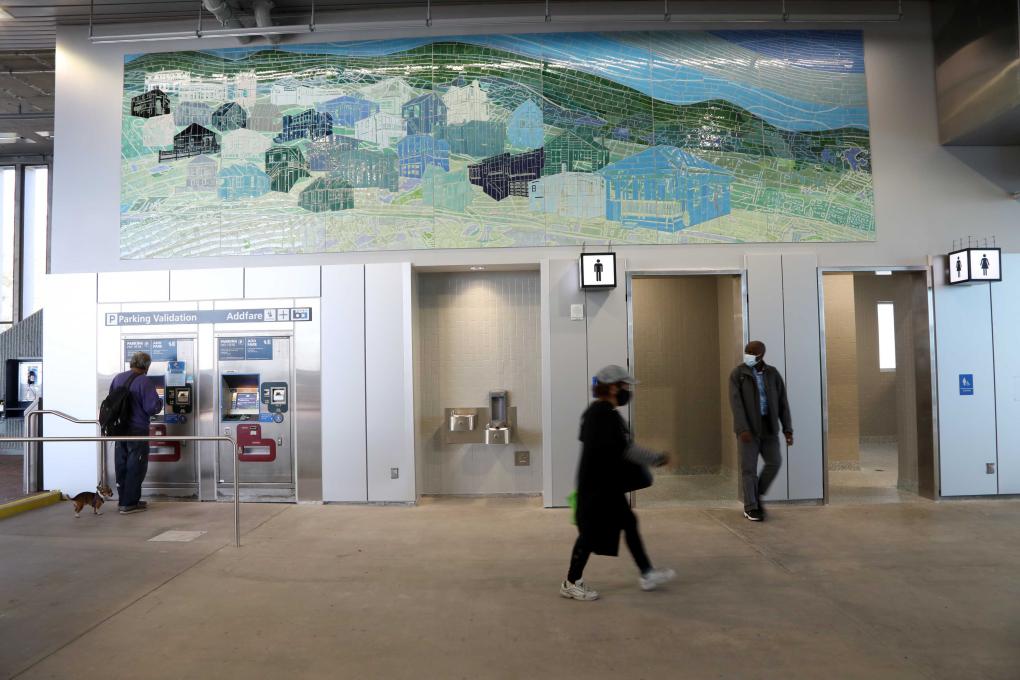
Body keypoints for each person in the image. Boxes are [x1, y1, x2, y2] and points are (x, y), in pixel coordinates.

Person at [560, 364, 675, 601]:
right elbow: (627, 450)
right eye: (624, 386)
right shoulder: (602, 414)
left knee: (629, 522)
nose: (627, 391)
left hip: (605, 485)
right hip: (598, 487)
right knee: (589, 534)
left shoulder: (600, 412)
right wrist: (659, 458)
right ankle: (571, 582)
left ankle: (647, 573)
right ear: (613, 388)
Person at [729, 341, 793, 522]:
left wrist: (787, 429)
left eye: (752, 351)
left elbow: (783, 403)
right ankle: (751, 507)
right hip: (748, 430)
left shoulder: (773, 374)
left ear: (762, 354)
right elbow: (736, 404)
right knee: (749, 469)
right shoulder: (738, 374)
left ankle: (756, 494)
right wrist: (742, 428)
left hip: (769, 428)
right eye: (747, 350)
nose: (748, 353)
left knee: (775, 462)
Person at [109, 351, 162, 515]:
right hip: (137, 429)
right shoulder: (144, 381)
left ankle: (124, 500)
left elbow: (111, 400)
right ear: (147, 366)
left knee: (121, 464)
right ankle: (129, 503)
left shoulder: (118, 378)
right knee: (136, 465)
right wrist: (160, 402)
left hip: (119, 429)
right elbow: (152, 407)